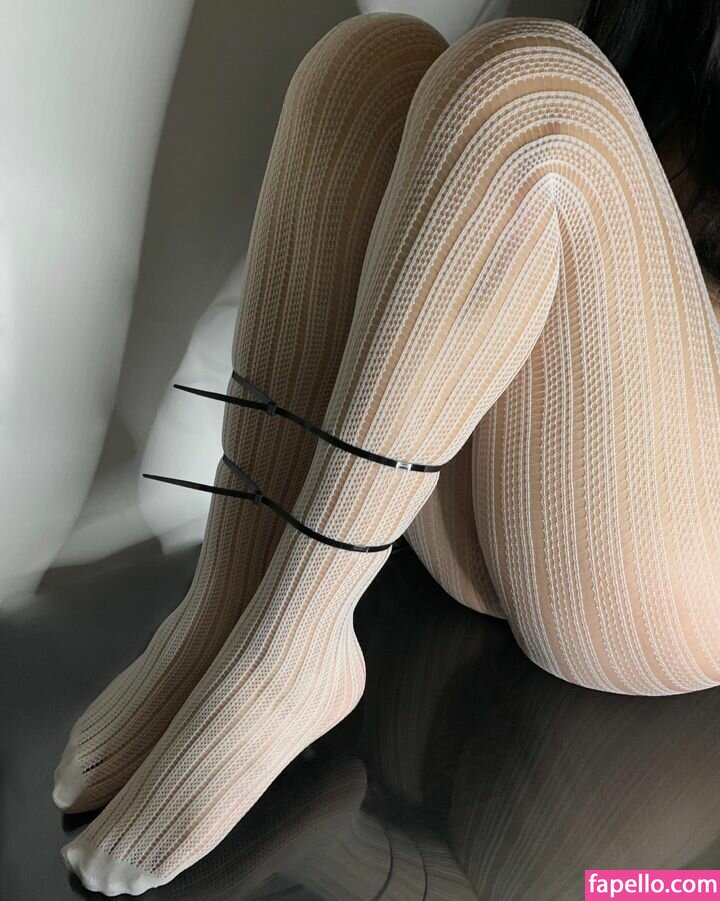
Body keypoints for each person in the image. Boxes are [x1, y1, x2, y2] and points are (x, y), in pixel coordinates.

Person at [54, 7, 720, 895]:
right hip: (533, 504)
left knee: (536, 96)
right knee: (367, 72)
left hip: (682, 573)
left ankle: (291, 656)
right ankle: (222, 611)